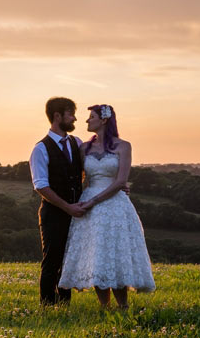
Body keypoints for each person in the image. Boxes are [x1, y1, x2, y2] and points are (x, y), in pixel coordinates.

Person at [57, 104, 155, 308]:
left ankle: (123, 306)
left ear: (103, 120)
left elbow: (120, 181)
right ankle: (104, 307)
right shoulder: (84, 148)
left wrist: (95, 200)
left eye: (91, 117)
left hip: (114, 204)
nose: (86, 120)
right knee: (98, 253)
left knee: (115, 252)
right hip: (90, 202)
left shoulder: (123, 146)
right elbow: (80, 178)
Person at [29, 97, 86, 305]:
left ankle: (64, 305)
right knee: (52, 260)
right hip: (53, 214)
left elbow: (95, 167)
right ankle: (47, 305)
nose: (75, 118)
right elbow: (41, 186)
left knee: (69, 261)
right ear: (57, 116)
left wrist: (117, 181)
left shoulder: (77, 142)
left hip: (76, 212)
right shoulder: (40, 149)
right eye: (71, 114)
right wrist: (67, 207)